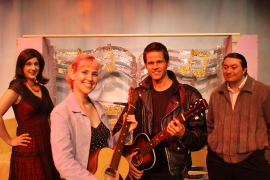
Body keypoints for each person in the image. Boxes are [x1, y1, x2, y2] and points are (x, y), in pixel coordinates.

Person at [113, 42, 208, 180]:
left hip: (173, 172)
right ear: (146, 65)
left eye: (159, 62)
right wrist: (126, 160)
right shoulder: (137, 95)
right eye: (151, 63)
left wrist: (183, 134)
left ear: (167, 63)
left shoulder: (189, 95)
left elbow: (201, 139)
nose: (155, 67)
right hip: (140, 171)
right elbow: (117, 133)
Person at [50, 55, 138, 180]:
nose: (90, 78)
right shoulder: (61, 113)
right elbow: (63, 162)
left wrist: (126, 129)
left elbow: (108, 146)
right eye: (84, 72)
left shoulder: (98, 108)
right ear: (72, 73)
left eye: (94, 74)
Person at [206, 52, 270, 180]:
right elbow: (210, 125)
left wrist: (267, 157)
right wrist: (213, 146)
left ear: (244, 69)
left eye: (234, 67)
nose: (228, 71)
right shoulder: (216, 94)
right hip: (219, 162)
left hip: (253, 161)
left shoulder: (263, 91)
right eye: (225, 67)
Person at [0, 48, 60, 180]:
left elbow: (49, 117)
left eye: (36, 64)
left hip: (46, 145)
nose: (33, 68)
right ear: (21, 66)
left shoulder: (43, 89)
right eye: (28, 64)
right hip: (28, 148)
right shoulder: (17, 88)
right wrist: (9, 140)